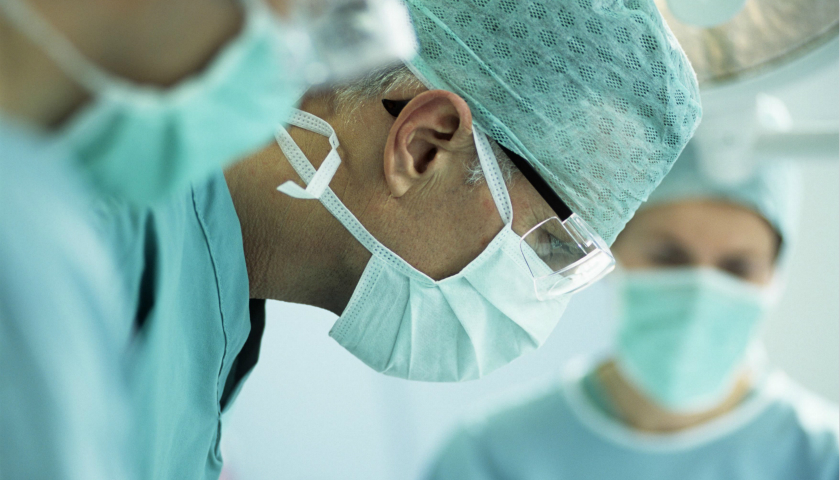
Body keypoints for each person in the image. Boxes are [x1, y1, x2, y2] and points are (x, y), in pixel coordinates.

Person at [90, 0, 701, 477]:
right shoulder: (103, 239)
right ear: (424, 145)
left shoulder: (204, 323)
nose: (539, 307)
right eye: (550, 248)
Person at [1, 0, 408, 477]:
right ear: (422, 144)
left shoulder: (46, 216)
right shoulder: (44, 235)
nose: (296, 86)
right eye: (299, 27)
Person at [423, 141, 839, 480]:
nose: (700, 292)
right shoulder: (492, 456)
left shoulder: (823, 458)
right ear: (611, 253)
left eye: (738, 268)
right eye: (668, 258)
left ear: (775, 275)